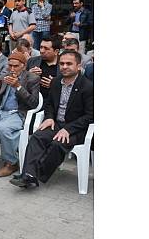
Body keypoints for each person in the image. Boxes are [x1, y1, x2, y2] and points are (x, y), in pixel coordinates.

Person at [10, 50, 93, 189]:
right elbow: (49, 104)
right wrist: (48, 117)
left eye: (69, 64)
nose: (64, 66)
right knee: (37, 137)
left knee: (57, 143)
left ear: (79, 66)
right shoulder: (55, 82)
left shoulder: (88, 86)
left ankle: (32, 174)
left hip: (77, 128)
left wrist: (68, 129)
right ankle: (29, 175)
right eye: (62, 63)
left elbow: (90, 115)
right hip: (56, 123)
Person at [0, 52, 40, 177]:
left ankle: (11, 162)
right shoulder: (4, 77)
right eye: (10, 65)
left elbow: (34, 103)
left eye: (15, 66)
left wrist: (18, 87)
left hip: (18, 113)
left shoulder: (32, 78)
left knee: (3, 128)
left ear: (24, 65)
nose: (12, 69)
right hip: (0, 111)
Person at [27, 35, 61, 101]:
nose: (42, 51)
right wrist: (29, 74)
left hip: (55, 102)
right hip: (34, 101)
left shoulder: (63, 64)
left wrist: (55, 85)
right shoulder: (32, 61)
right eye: (41, 47)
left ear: (56, 51)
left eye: (46, 48)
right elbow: (21, 81)